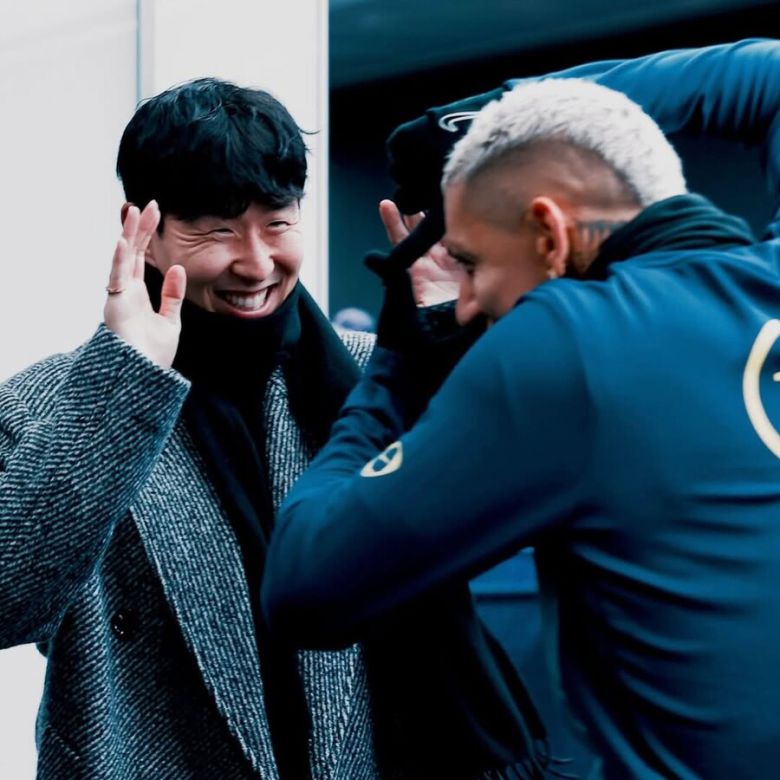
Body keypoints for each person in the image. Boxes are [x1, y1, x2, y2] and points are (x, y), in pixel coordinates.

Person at [0, 76, 556, 780]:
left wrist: (451, 338)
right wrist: (124, 381)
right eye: (217, 229)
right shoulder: (52, 404)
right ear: (142, 229)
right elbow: (9, 602)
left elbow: (505, 518)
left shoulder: (371, 373)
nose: (256, 262)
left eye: (277, 222)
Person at [262, 50, 780, 780]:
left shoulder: (571, 343)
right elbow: (767, 74)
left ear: (549, 234)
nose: (467, 303)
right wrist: (481, 117)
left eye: (472, 264)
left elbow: (304, 588)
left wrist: (399, 367)